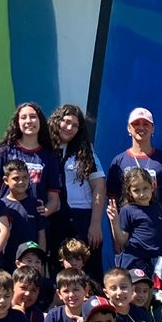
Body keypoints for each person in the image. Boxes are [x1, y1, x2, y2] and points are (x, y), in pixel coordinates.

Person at [105, 107, 162, 258]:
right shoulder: (119, 161)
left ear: (153, 128)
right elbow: (112, 201)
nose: (141, 127)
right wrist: (115, 236)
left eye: (146, 124)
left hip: (160, 231)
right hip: (129, 233)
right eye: (136, 124)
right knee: (130, 279)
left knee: (160, 278)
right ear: (129, 128)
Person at [46, 104, 106, 276]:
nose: (69, 128)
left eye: (75, 125)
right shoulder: (45, 149)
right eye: (66, 122)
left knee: (90, 269)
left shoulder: (85, 151)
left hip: (82, 217)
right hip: (56, 217)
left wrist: (95, 224)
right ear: (57, 121)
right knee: (59, 269)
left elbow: (99, 186)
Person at [0, 102, 62, 219]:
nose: (29, 121)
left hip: (35, 223)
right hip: (8, 218)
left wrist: (46, 210)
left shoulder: (50, 156)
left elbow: (53, 197)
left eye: (33, 117)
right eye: (23, 117)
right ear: (17, 122)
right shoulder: (4, 151)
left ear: (40, 121)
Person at [107, 166, 162, 285]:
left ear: (152, 187)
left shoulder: (156, 207)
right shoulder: (128, 210)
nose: (142, 194)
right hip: (135, 259)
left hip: (156, 261)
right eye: (136, 190)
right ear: (129, 192)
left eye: (145, 188)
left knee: (157, 296)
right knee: (136, 294)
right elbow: (121, 241)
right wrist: (114, 222)